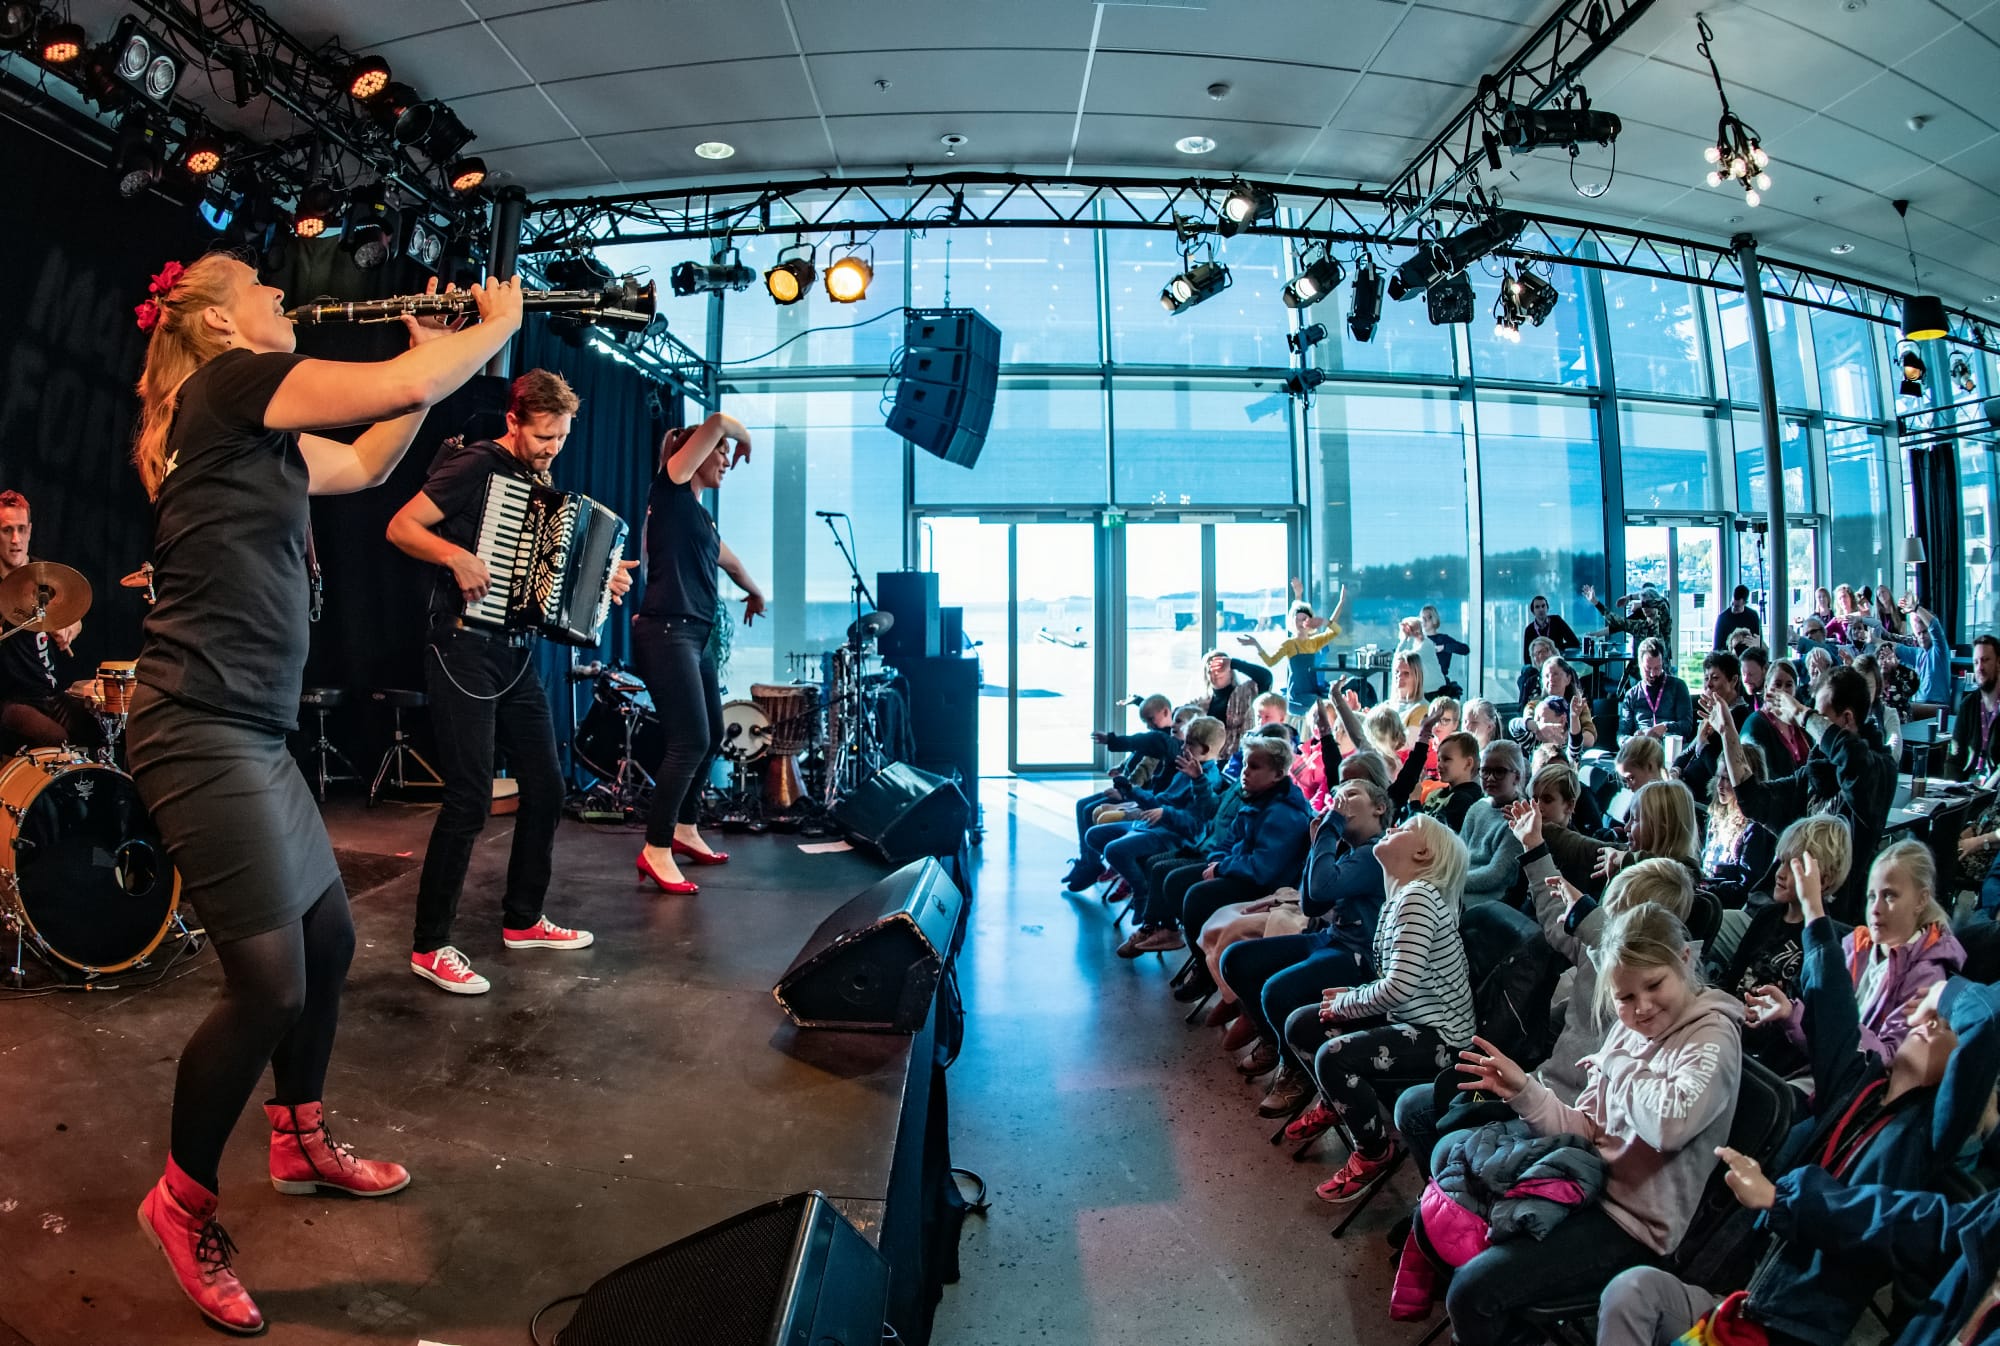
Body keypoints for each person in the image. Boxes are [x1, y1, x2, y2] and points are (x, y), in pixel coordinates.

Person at [123, 255, 522, 1333]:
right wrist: (496, 324)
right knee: (268, 986)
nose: (279, 297)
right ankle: (180, 1205)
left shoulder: (253, 426)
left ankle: (298, 1139)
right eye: (261, 286)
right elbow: (402, 388)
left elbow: (366, 456)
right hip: (196, 726)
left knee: (330, 940)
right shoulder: (230, 384)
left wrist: (420, 363)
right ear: (218, 322)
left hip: (250, 729)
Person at [1600, 877, 2000, 1346]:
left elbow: (1986, 1024)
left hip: (1791, 1326)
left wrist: (1945, 995)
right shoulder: (1861, 1087)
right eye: (1927, 1018)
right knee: (1630, 1292)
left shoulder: (1932, 1133)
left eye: (1944, 1028)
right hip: (1745, 1296)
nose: (1928, 1024)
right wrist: (1813, 911)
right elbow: (1834, 1012)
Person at [388, 371, 628, 992]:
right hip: (462, 646)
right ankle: (429, 946)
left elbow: (546, 577)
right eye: (544, 436)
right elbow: (402, 526)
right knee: (469, 798)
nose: (553, 448)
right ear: (513, 421)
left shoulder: (536, 481)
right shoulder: (476, 464)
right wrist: (455, 556)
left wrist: (603, 580)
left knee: (546, 789)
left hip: (515, 653)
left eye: (562, 437)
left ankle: (523, 920)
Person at [1440, 903, 1743, 1346]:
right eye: (1625, 997)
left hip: (1631, 1225)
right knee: (1455, 1203)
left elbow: (1668, 1126)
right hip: (1582, 1183)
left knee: (1472, 1293)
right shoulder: (1628, 1031)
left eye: (1654, 984)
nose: (1641, 1008)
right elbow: (1586, 1130)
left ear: (1684, 959)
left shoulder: (1712, 1037)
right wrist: (1524, 1091)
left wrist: (1619, 1065)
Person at [1288, 814, 1475, 1201]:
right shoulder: (1404, 896)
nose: (1391, 829)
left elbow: (1399, 988)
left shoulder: (1419, 899)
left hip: (1441, 1038)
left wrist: (1348, 1003)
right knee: (1302, 1024)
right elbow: (1398, 983)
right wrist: (1352, 997)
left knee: (1333, 1056)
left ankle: (1373, 1151)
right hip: (1409, 1018)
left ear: (1422, 854)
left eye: (1404, 829)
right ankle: (1338, 1099)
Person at [1745, 840, 1964, 1066]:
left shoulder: (1926, 975)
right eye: (1871, 897)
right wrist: (1789, 1014)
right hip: (1816, 1071)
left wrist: (1835, 1021)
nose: (1875, 909)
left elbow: (1888, 1061)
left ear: (1921, 900)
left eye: (1889, 896)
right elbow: (1822, 1040)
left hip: (1854, 1084)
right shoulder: (1855, 947)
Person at [1713, 667, 1897, 924]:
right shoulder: (1815, 773)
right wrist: (1727, 733)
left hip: (1831, 920)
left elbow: (1853, 760)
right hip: (1779, 911)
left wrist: (1802, 714)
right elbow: (1754, 799)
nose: (1811, 726)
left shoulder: (1878, 771)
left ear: (1846, 719)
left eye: (1820, 716)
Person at [0, 489, 104, 750]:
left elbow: (73, 617)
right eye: (7, 530)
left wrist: (71, 627)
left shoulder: (45, 577)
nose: (16, 539)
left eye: (21, 529)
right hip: (11, 702)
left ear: (30, 531)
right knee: (58, 740)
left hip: (51, 695)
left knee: (99, 728)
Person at [1237, 579, 1348, 717]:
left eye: (1304, 619)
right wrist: (1256, 645)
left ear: (1311, 621)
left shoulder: (1314, 642)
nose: (1301, 622)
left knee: (1332, 705)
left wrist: (1339, 604)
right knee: (1326, 707)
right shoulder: (1289, 644)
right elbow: (1270, 662)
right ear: (1292, 621)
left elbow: (1335, 630)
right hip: (1297, 697)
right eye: (1298, 619)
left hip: (1312, 694)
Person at [1461, 739, 1527, 906]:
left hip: (1493, 898)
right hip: (1461, 884)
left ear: (1517, 776)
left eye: (1499, 772)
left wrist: (1451, 883)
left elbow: (1495, 876)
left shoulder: (1519, 818)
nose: (1490, 778)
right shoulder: (1477, 808)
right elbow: (1458, 855)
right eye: (1485, 771)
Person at [1197, 647, 1273, 760]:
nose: (1216, 672)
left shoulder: (1247, 692)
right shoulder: (1202, 703)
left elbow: (1266, 678)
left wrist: (1234, 663)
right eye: (1211, 668)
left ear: (1230, 671)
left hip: (1242, 758)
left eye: (1221, 667)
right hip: (1211, 760)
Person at [1618, 636, 1694, 743]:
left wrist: (1666, 727)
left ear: (1662, 664)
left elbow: (1687, 726)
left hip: (1670, 744)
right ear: (1640, 665)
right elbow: (1622, 734)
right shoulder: (1632, 695)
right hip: (1642, 746)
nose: (1652, 674)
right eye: (1648, 669)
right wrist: (1632, 740)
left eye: (1657, 668)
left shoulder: (1678, 686)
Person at [1946, 634, 2000, 782]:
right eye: (1976, 662)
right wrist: (1950, 788)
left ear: (1998, 663)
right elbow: (1955, 758)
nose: (1980, 668)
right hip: (1967, 787)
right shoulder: (1968, 704)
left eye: (1985, 660)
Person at [1742, 657, 1810, 772]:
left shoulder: (1799, 723)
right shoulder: (1755, 723)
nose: (1783, 690)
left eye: (1789, 685)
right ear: (1766, 687)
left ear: (1795, 689)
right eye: (1777, 684)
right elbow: (1758, 772)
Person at [1423, 730, 1484, 832]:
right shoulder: (1435, 794)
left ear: (1468, 763)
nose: (1439, 765)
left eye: (1446, 759)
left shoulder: (1464, 800)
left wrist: (1414, 803)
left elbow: (1434, 835)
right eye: (1439, 759)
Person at [1421, 603, 1469, 695]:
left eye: (1428, 618)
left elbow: (1465, 649)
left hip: (1440, 685)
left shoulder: (1443, 639)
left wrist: (1443, 647)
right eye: (1423, 618)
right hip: (1422, 684)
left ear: (1434, 620)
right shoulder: (1418, 640)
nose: (1424, 621)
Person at [1523, 593, 1581, 666]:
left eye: (1543, 606)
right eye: (1537, 607)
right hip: (1538, 666)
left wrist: (1555, 647)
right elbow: (1527, 657)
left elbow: (1575, 642)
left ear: (1547, 608)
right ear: (1533, 611)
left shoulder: (1557, 621)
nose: (1541, 609)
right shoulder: (1529, 630)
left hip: (1556, 663)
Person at [1396, 615, 1445, 699]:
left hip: (1434, 691)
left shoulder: (1426, 645)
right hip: (1426, 690)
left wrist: (1406, 638)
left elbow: (1402, 659)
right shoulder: (1416, 645)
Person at [1712, 584, 1762, 652]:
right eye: (1732, 604)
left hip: (1749, 654)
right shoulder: (1722, 618)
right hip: (1728, 655)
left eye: (1737, 606)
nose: (1733, 608)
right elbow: (1717, 647)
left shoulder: (1753, 616)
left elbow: (1758, 641)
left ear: (1745, 603)